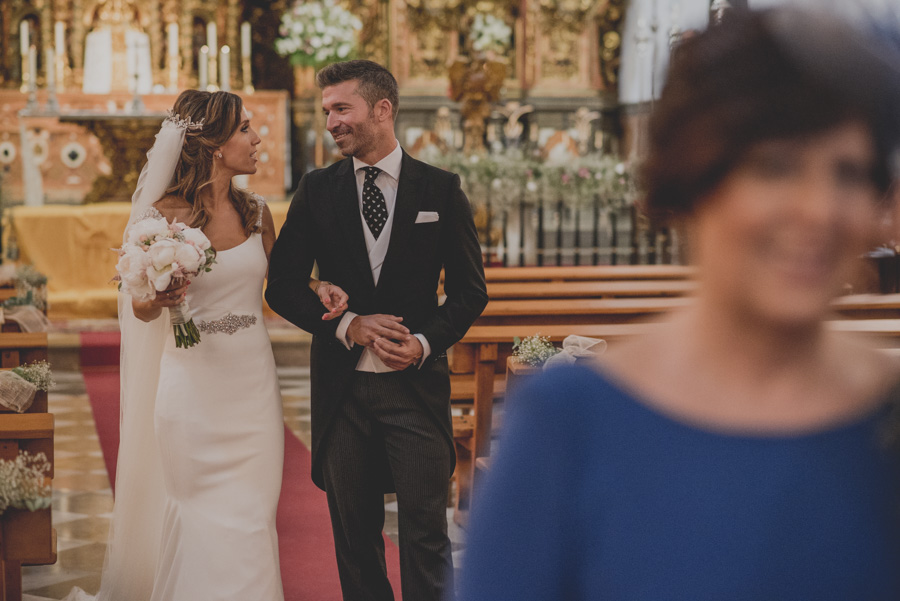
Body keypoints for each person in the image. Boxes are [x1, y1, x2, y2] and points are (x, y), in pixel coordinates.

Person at [457, 8, 900, 601]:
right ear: (694, 174)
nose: (819, 210)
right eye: (776, 167)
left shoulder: (888, 419)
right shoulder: (570, 428)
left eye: (849, 173)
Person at [66, 90, 348, 601]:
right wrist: (160, 294)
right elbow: (140, 309)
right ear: (214, 144)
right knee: (198, 512)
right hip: (191, 387)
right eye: (244, 128)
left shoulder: (258, 213)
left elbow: (286, 285)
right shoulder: (160, 216)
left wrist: (321, 287)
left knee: (251, 515)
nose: (258, 138)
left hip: (252, 387)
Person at [266, 60, 488, 601]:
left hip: (415, 390)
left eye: (342, 108)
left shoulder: (440, 190)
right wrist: (348, 325)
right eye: (327, 112)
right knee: (355, 540)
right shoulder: (317, 190)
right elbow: (283, 285)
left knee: (425, 535)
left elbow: (469, 291)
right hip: (343, 395)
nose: (331, 122)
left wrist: (423, 342)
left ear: (382, 109)